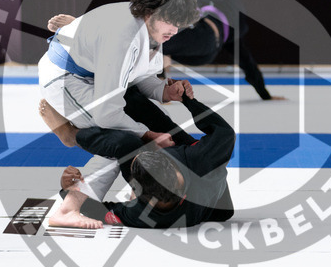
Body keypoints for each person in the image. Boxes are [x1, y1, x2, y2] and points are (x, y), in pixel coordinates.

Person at [37, 0, 199, 147]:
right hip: (63, 78)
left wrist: (164, 91)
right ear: (151, 12)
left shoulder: (150, 27)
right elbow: (106, 114)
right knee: (125, 141)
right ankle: (71, 134)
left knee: (143, 111)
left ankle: (78, 29)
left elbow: (140, 75)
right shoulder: (123, 38)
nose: (174, 31)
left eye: (178, 25)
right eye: (171, 22)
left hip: (93, 65)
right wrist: (147, 135)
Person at [39, 88, 236, 230]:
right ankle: (127, 91)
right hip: (206, 185)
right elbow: (225, 133)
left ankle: (70, 136)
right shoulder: (204, 157)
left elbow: (96, 210)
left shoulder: (143, 215)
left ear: (136, 194)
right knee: (142, 107)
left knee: (124, 143)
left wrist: (68, 189)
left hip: (193, 191)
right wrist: (187, 100)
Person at [163, 0, 284, 101]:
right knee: (160, 47)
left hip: (205, 37)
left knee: (158, 43)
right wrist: (264, 94)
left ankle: (160, 74)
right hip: (205, 55)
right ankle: (161, 70)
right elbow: (247, 62)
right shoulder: (228, 21)